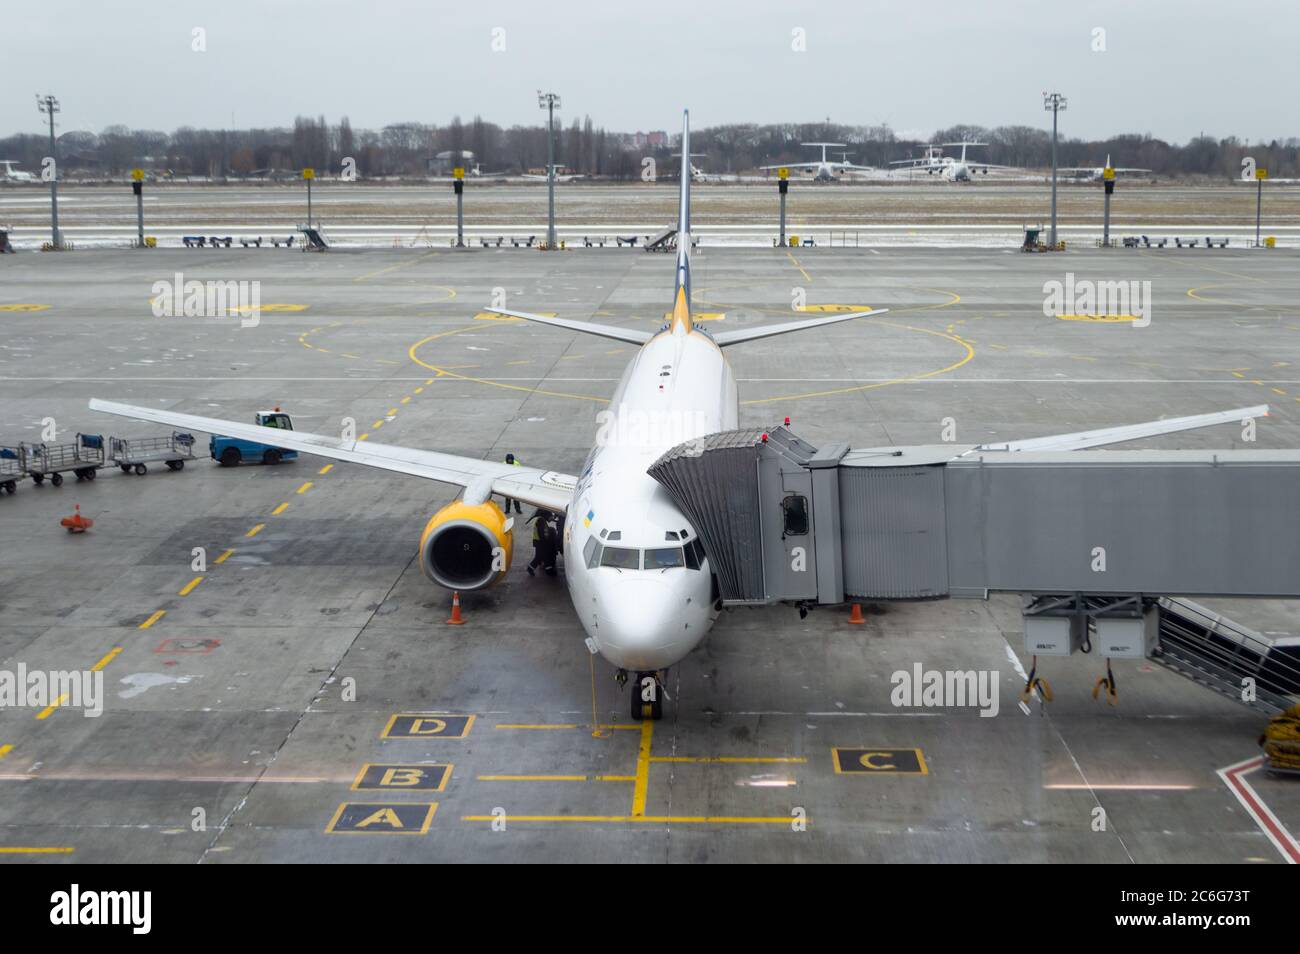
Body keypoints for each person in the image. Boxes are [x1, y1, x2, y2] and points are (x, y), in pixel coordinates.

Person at [527, 511, 551, 576]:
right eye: (550, 516)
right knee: (539, 557)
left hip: (538, 542)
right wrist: (546, 541)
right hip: (540, 542)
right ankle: (530, 568)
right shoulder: (541, 521)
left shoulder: (540, 520)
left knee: (543, 556)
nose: (551, 518)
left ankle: (548, 569)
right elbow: (542, 534)